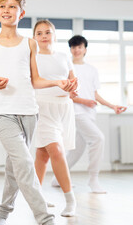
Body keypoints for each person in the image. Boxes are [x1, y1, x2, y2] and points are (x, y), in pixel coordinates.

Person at [0, 0, 77, 225]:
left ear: (21, 13)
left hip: (30, 113)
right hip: (2, 113)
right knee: (25, 164)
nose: (6, 10)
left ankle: (2, 214)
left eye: (12, 7)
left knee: (14, 167)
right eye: (2, 7)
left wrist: (57, 82)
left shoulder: (29, 44)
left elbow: (35, 80)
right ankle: (45, 219)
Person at [51, 35, 127, 194]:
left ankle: (57, 178)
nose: (76, 50)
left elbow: (95, 95)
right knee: (98, 139)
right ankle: (93, 180)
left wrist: (112, 106)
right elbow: (67, 94)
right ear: (70, 49)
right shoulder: (67, 69)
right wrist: (84, 101)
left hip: (90, 113)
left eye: (79, 47)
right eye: (73, 47)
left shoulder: (92, 70)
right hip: (76, 113)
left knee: (77, 150)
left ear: (85, 49)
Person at [32, 20, 77, 217]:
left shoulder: (64, 56)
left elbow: (74, 82)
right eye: (39, 33)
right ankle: (70, 199)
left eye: (47, 32)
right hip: (43, 108)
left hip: (64, 109)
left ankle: (37, 198)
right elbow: (33, 82)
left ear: (54, 35)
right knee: (56, 151)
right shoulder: (32, 57)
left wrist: (72, 88)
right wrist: (57, 84)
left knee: (43, 155)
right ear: (34, 37)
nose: (44, 36)